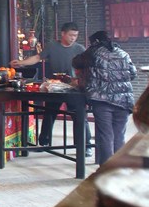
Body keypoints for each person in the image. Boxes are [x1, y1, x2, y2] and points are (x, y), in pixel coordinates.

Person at [10, 22, 90, 153]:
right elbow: (37, 57)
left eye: (75, 36)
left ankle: (84, 146)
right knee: (49, 113)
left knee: (79, 116)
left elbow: (88, 66)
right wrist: (21, 63)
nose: (73, 38)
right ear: (63, 34)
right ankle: (44, 141)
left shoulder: (80, 49)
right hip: (54, 85)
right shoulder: (52, 46)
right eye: (70, 35)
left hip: (73, 87)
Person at [72, 30, 136, 165]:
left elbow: (76, 62)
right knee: (119, 135)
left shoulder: (93, 52)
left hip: (102, 100)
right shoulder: (124, 54)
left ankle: (106, 168)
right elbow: (132, 74)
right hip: (124, 100)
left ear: (95, 41)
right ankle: (118, 167)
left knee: (106, 135)